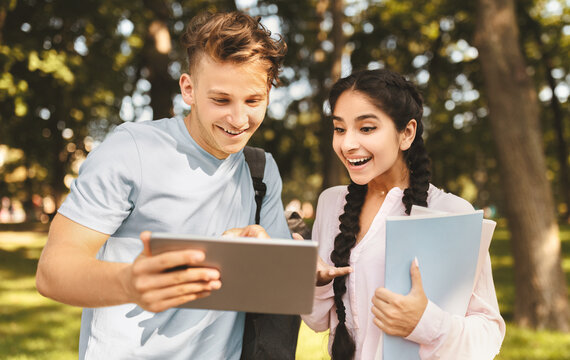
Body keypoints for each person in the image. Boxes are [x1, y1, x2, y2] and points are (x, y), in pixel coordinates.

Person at [35, 11, 293, 359]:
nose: (238, 119)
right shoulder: (130, 150)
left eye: (253, 101)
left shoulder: (261, 170)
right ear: (188, 88)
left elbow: (276, 292)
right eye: (220, 100)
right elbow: (52, 272)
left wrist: (261, 257)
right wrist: (129, 282)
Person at [301, 69, 506, 359]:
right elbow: (318, 322)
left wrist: (424, 323)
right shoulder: (331, 203)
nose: (347, 144)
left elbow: (488, 336)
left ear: (406, 133)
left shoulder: (450, 212)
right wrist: (315, 281)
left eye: (367, 128)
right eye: (339, 128)